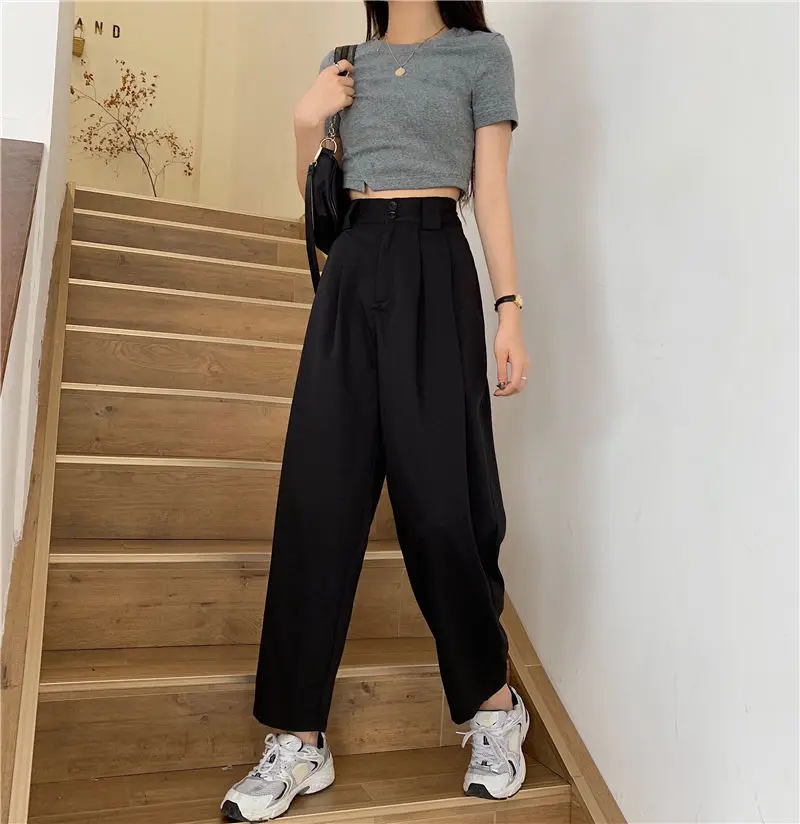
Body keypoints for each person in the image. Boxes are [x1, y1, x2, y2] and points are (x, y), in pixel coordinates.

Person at [222, 1, 530, 821]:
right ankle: (299, 737)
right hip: (353, 270)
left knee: (442, 508)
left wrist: (508, 308)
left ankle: (494, 706)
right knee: (317, 502)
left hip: (436, 266)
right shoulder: (343, 62)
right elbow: (319, 210)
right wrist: (305, 121)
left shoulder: (481, 55)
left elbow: (491, 192)